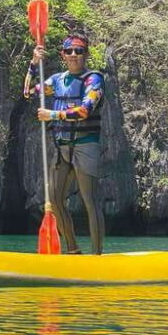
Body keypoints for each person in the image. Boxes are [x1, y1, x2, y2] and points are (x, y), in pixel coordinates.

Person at [23, 31, 105, 254]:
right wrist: (34, 64)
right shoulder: (57, 80)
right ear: (62, 54)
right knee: (55, 200)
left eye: (78, 51)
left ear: (85, 53)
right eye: (68, 51)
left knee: (89, 201)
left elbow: (85, 110)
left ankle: (97, 255)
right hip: (62, 149)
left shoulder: (93, 79)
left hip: (85, 145)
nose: (73, 55)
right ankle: (73, 249)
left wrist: (53, 115)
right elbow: (28, 93)